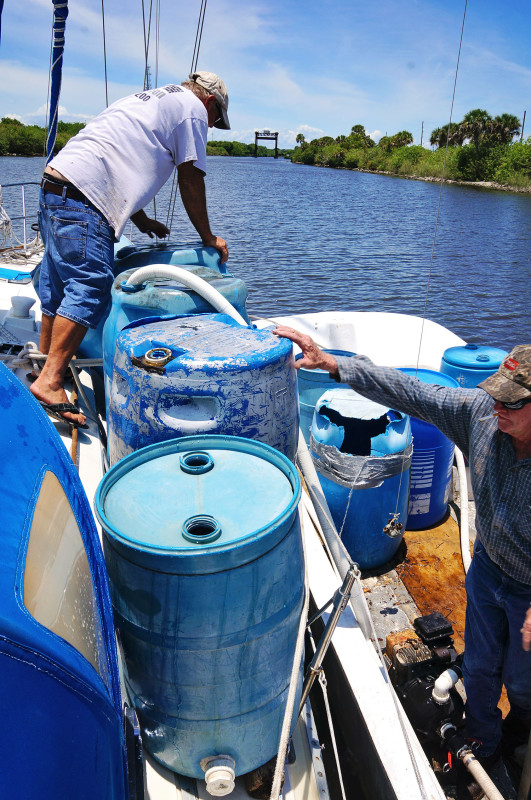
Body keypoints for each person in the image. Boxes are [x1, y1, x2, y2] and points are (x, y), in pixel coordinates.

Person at [274, 325, 531, 786]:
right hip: (489, 570)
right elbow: (411, 391)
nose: (497, 407)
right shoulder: (481, 415)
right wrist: (335, 365)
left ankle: (521, 731)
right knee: (480, 667)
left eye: (511, 402)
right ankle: (483, 743)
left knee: (524, 684)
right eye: (496, 394)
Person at [31, 71, 230, 427]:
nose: (211, 126)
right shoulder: (192, 110)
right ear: (210, 101)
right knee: (91, 283)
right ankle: (50, 380)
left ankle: (46, 362)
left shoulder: (148, 100)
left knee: (58, 281)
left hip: (56, 185)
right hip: (83, 199)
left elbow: (115, 162)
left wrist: (141, 222)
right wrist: (208, 237)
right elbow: (190, 177)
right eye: (216, 119)